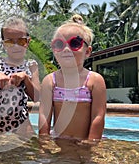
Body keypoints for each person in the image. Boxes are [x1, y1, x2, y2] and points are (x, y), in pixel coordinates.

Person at [38, 14, 106, 159]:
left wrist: (91, 144)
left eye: (75, 43)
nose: (66, 49)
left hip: (85, 143)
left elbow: (98, 116)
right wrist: (44, 142)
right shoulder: (50, 81)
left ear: (87, 51)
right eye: (59, 44)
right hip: (59, 142)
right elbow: (44, 114)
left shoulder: (94, 80)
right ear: (54, 49)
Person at [0, 17, 40, 135]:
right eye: (10, 42)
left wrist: (26, 79)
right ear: (4, 44)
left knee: (32, 150)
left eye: (21, 41)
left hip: (22, 122)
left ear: (27, 42)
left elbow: (37, 97)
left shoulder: (31, 65)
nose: (16, 46)